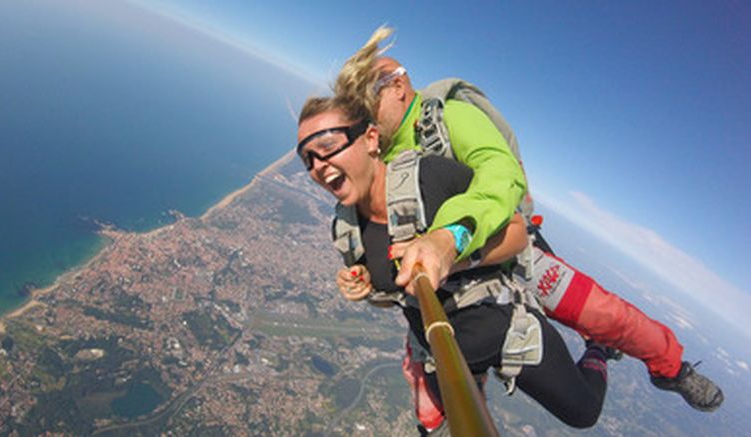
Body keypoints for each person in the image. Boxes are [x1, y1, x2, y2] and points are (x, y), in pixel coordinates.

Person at [331, 26, 723, 421]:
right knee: (433, 406)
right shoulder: (374, 156)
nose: (362, 114)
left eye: (368, 99)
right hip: (446, 287)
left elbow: (499, 174)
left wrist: (450, 236)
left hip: (504, 251)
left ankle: (670, 368)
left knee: (604, 315)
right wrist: (368, 274)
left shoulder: (449, 119)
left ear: (399, 85)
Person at [297, 95, 609, 429]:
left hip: (502, 326)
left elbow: (517, 233)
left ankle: (598, 350)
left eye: (327, 146)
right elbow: (396, 295)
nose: (318, 165)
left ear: (371, 139)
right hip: (440, 351)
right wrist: (366, 283)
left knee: (583, 413)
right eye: (308, 159)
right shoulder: (346, 227)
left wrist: (451, 255)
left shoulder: (429, 177)